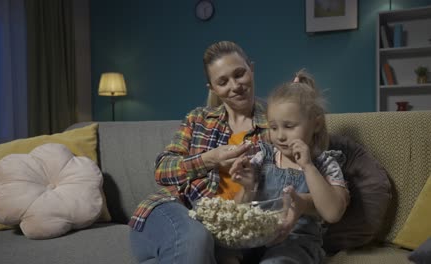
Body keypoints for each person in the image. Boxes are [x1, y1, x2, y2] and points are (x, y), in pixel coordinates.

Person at [128, 41, 307, 264]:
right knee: (195, 237)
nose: (235, 86)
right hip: (173, 208)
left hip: (231, 233)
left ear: (252, 68)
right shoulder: (199, 119)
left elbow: (303, 172)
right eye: (222, 82)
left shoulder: (276, 126)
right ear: (212, 88)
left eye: (239, 74)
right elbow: (162, 170)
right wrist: (209, 158)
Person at [228, 69, 350, 263]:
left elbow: (333, 213)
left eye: (289, 126)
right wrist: (248, 187)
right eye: (274, 127)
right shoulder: (262, 159)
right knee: (221, 252)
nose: (280, 136)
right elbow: (235, 214)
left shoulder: (325, 164)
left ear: (316, 125)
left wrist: (308, 166)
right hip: (256, 239)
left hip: (297, 244)